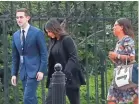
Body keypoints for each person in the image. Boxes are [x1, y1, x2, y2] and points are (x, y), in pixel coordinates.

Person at [44, 18, 86, 104]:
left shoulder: (67, 39)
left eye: (49, 31)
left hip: (70, 77)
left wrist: (65, 73)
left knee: (74, 102)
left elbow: (73, 57)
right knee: (49, 101)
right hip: (55, 77)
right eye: (47, 32)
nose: (48, 34)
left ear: (54, 29)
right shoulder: (53, 41)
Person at [11, 8, 47, 104]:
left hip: (35, 71)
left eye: (21, 17)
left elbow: (44, 53)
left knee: (27, 98)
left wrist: (41, 70)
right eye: (17, 17)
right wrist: (14, 74)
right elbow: (15, 57)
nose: (19, 19)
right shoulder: (15, 35)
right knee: (31, 99)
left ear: (28, 18)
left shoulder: (37, 33)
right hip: (23, 72)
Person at [107, 18, 138, 104]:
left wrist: (117, 55)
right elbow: (120, 61)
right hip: (120, 74)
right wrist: (114, 59)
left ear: (121, 27)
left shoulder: (127, 39)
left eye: (115, 25)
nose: (113, 28)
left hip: (128, 74)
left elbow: (131, 57)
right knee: (111, 99)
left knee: (135, 97)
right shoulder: (118, 42)